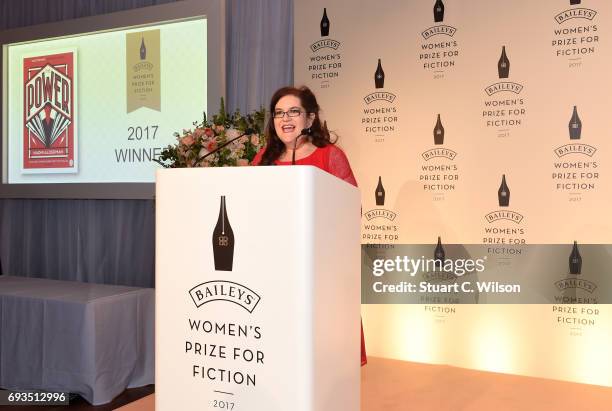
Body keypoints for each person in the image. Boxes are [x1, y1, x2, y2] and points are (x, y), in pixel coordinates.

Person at [251, 85, 367, 366]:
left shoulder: (329, 155)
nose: (285, 118)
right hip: (274, 269)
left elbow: (351, 209)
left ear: (310, 119)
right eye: (278, 113)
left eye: (294, 111)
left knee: (319, 360)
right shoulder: (263, 159)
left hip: (320, 270)